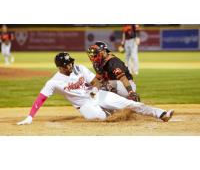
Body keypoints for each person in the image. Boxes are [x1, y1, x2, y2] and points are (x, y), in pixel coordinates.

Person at [17, 52, 174, 125]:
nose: (71, 65)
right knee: (99, 118)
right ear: (60, 67)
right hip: (84, 106)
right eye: (67, 64)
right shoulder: (54, 82)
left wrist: (94, 89)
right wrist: (30, 116)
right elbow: (41, 98)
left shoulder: (79, 68)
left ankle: (161, 114)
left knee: (131, 104)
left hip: (97, 96)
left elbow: (95, 81)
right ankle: (113, 112)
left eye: (71, 62)